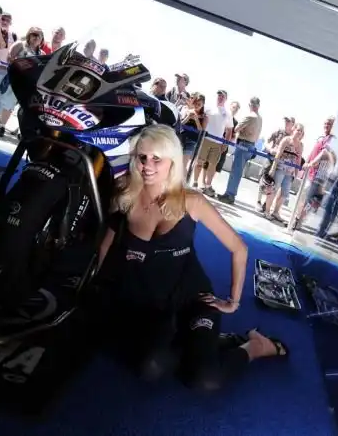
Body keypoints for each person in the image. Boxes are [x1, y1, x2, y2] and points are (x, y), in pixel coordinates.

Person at [96, 125, 288, 388]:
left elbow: (239, 248)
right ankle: (202, 341)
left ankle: (256, 346)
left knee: (204, 379)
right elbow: (107, 242)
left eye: (157, 159)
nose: (147, 166)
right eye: (142, 157)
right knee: (150, 367)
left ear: (173, 162)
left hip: (193, 299)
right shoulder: (125, 191)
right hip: (150, 302)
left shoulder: (192, 202)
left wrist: (232, 301)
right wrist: (98, 284)